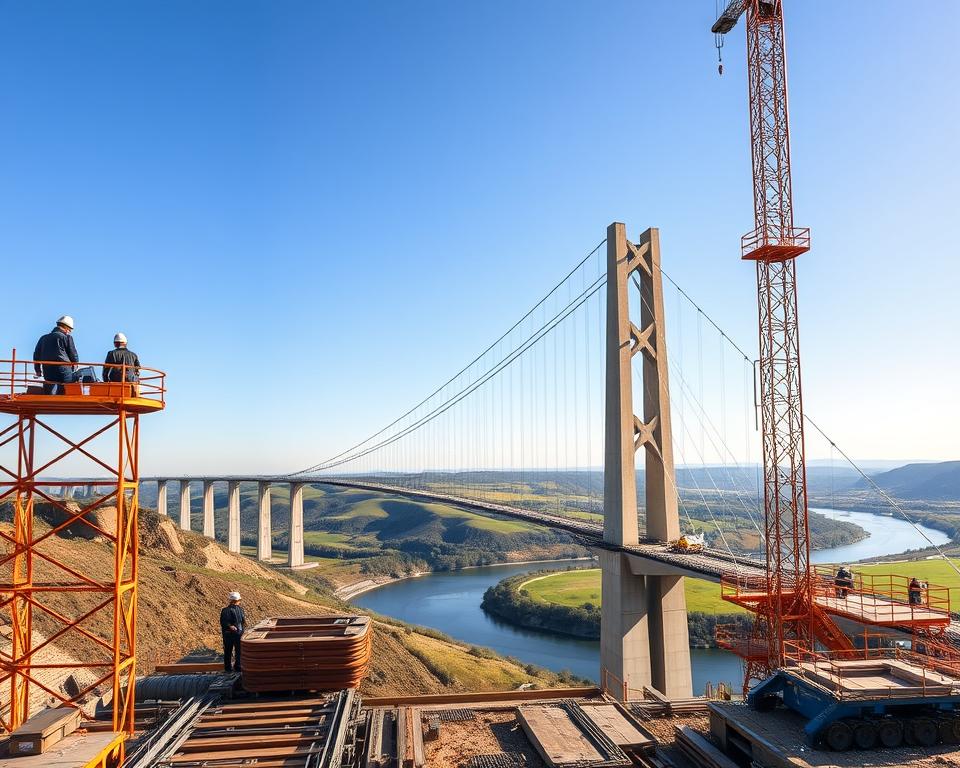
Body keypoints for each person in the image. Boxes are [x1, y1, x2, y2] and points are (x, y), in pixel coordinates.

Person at [33, 316, 97, 395]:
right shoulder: (66, 337)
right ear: (66, 328)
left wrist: (38, 370)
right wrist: (75, 365)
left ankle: (50, 399)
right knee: (76, 378)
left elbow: (36, 355)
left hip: (47, 370)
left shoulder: (43, 338)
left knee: (50, 385)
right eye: (70, 330)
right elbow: (73, 354)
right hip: (63, 371)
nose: (69, 332)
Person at [220, 591, 245, 673]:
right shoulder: (227, 610)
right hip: (232, 634)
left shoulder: (238, 609)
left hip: (234, 634)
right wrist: (230, 626)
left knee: (234, 651)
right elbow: (224, 622)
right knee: (232, 651)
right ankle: (232, 668)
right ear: (237, 600)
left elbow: (242, 621)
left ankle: (233, 667)